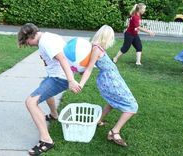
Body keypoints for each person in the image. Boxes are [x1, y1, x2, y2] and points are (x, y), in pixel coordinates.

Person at [18, 23, 81, 155]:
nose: (27, 45)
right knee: (43, 85)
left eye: (26, 42)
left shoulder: (46, 42)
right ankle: (54, 115)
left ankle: (46, 140)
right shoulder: (46, 37)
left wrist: (70, 80)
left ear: (30, 37)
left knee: (30, 102)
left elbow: (62, 58)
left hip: (60, 78)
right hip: (55, 75)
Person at [79, 25, 138, 147]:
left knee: (112, 102)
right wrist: (81, 85)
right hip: (110, 80)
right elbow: (89, 69)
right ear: (106, 37)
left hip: (114, 78)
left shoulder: (98, 47)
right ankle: (114, 131)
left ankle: (98, 120)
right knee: (132, 106)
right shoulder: (96, 49)